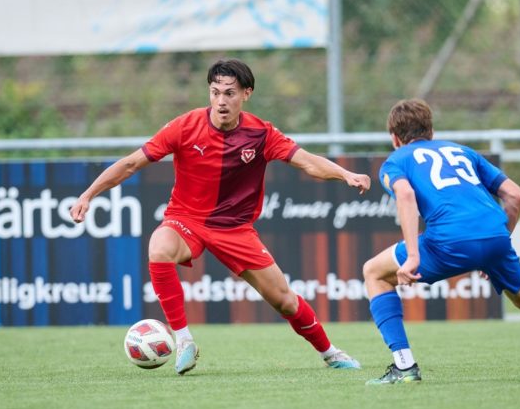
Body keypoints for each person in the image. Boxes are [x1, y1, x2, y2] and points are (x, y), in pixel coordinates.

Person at [70, 58, 370, 375]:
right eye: (215, 93)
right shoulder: (185, 126)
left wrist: (345, 174)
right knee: (159, 248)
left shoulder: (261, 133)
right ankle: (184, 341)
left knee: (285, 301)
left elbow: (307, 161)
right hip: (186, 219)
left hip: (235, 229)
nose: (221, 101)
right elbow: (131, 163)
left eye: (229, 93)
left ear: (246, 94)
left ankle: (330, 353)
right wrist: (88, 194)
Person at [362, 98, 520, 384]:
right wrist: (497, 244)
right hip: (495, 235)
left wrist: (414, 257)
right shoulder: (463, 152)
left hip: (449, 241)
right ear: (431, 130)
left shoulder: (396, 161)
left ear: (395, 138)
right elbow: (515, 196)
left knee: (374, 272)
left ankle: (404, 366)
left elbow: (405, 195)